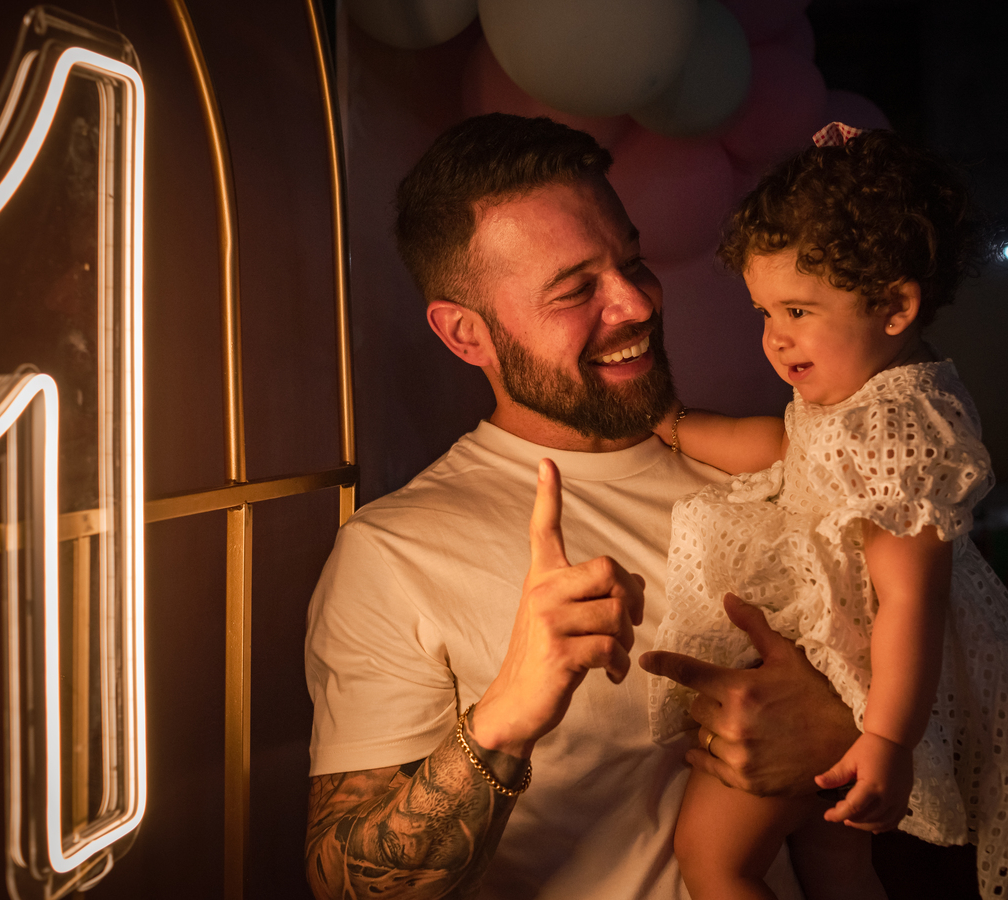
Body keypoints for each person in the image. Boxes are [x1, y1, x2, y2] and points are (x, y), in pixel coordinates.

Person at [303, 113, 861, 900]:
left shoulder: (764, 468)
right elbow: (345, 882)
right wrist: (504, 719)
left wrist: (843, 726)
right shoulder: (394, 554)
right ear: (467, 334)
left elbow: (967, 693)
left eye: (632, 262)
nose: (634, 303)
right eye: (577, 290)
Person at [647, 124, 1008, 899]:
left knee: (714, 858)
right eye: (762, 313)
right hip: (848, 667)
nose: (776, 340)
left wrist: (887, 737)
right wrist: (676, 424)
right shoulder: (867, 389)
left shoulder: (895, 428)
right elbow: (783, 444)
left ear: (893, 306)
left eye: (796, 310)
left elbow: (914, 596)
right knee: (836, 864)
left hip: (854, 675)